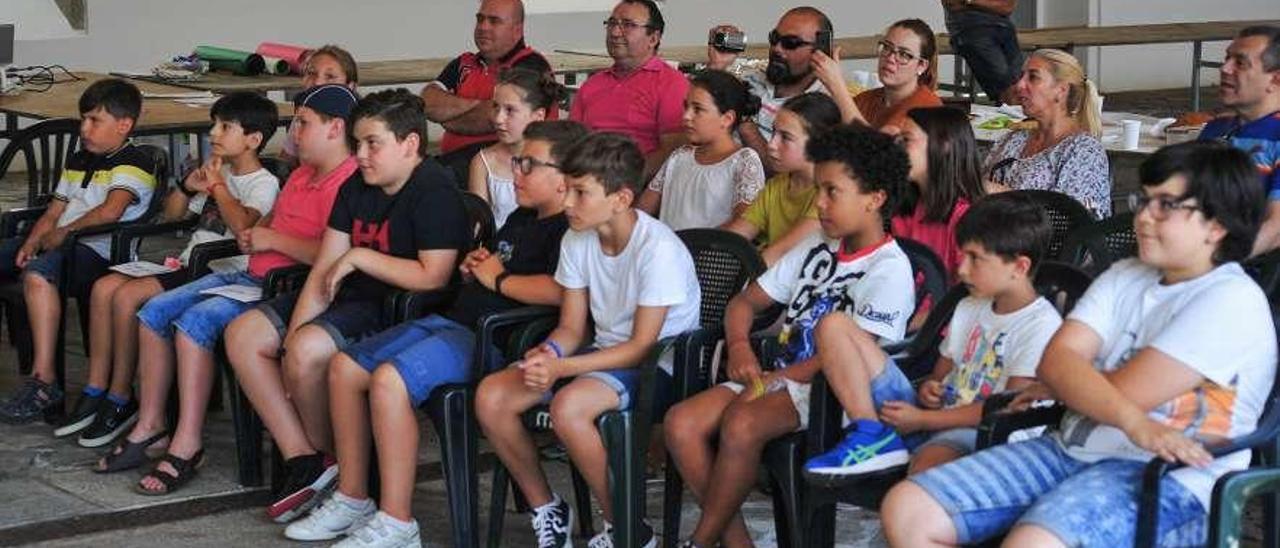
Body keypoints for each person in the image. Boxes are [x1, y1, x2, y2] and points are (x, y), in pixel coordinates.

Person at [882, 141, 1276, 547]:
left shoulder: (1230, 300)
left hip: (1164, 474)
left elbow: (1124, 389)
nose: (1143, 217)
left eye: (1166, 205)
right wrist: (1106, 403)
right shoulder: (1125, 274)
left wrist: (1076, 384)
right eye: (1144, 200)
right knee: (909, 510)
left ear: (1217, 225)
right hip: (1069, 448)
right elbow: (1055, 362)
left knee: (1033, 543)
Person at [285, 120, 584, 546]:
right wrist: (476, 270)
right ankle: (353, 497)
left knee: (389, 380)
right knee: (344, 367)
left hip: (494, 339)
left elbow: (562, 292)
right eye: (517, 162)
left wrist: (497, 280)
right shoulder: (521, 217)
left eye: (529, 165)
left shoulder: (570, 229)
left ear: (564, 178)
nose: (516, 172)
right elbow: (498, 267)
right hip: (457, 320)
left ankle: (398, 522)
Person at [90, 84, 358, 496]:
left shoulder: (346, 182)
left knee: (193, 322)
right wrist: (259, 234)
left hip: (281, 286)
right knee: (154, 311)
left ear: (335, 128)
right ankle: (150, 423)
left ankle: (188, 442)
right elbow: (265, 223)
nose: (294, 134)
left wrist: (271, 241)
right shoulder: (303, 175)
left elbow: (334, 253)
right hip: (248, 275)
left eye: (302, 124)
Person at [664, 125, 915, 548]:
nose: (819, 203)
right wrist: (740, 347)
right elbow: (744, 304)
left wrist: (771, 382)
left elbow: (859, 355)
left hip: (829, 392)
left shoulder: (888, 269)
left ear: (875, 199)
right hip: (779, 376)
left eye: (832, 192)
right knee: (681, 423)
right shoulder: (816, 244)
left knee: (742, 422)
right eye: (819, 190)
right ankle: (735, 543)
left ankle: (701, 541)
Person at [226, 89, 470, 514]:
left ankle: (337, 468)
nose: (360, 154)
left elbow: (433, 276)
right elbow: (325, 266)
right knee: (247, 334)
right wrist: (292, 335)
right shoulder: (358, 184)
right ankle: (312, 458)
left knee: (305, 351)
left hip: (402, 309)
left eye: (372, 143)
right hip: (349, 293)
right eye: (357, 144)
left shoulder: (434, 190)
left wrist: (360, 257)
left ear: (410, 144)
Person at [475, 132, 700, 548]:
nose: (567, 204)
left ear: (621, 199)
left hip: (660, 364)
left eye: (581, 193)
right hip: (601, 355)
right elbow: (572, 328)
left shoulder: (658, 250)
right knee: (493, 395)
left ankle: (628, 529)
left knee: (569, 406)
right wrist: (551, 352)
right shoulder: (577, 238)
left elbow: (640, 346)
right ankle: (548, 507)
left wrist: (562, 368)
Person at [57, 92, 279, 448]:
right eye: (214, 125)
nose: (214, 134)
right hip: (189, 261)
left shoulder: (263, 183)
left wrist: (219, 186)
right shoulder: (213, 171)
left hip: (217, 267)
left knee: (129, 296)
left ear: (253, 139)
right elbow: (174, 215)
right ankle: (97, 387)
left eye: (225, 127)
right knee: (104, 289)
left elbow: (243, 230)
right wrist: (186, 186)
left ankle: (120, 398)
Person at [804, 193, 1060, 483]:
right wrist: (930, 389)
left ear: (1019, 267)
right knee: (834, 325)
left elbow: (1007, 411)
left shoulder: (1040, 326)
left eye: (975, 259)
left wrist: (923, 420)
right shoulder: (969, 306)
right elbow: (939, 375)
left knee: (926, 467)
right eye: (963, 255)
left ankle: (900, 462)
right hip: (929, 419)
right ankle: (870, 433)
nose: (961, 269)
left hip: (986, 437)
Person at [0, 78, 158, 424]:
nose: (84, 129)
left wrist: (62, 234)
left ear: (124, 124)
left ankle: (44, 381)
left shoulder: (135, 161)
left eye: (94, 121)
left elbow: (110, 212)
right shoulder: (79, 159)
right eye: (83, 120)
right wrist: (31, 241)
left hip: (100, 254)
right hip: (63, 244)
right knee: (17, 256)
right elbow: (54, 210)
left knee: (39, 273)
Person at [423, 0, 552, 184]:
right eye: (480, 19)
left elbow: (491, 119)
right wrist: (479, 105)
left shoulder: (531, 66)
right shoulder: (464, 62)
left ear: (517, 30)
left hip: (502, 172)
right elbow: (427, 101)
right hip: (454, 166)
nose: (483, 27)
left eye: (494, 21)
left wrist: (448, 114)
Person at [704, 7, 835, 174]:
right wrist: (718, 65)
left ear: (820, 51)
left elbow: (783, 177)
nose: (777, 49)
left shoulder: (822, 105)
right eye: (774, 39)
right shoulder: (750, 77)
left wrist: (745, 122)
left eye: (790, 43)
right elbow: (695, 123)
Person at [984, 49, 1112, 218]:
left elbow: (1075, 222)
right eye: (1022, 76)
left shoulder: (1083, 151)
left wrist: (1003, 195)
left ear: (1061, 90)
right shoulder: (1014, 138)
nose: (1020, 85)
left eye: (1033, 77)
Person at [570, 0, 689, 180]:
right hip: (586, 186)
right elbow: (571, 143)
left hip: (637, 190)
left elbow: (672, 154)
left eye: (628, 25)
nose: (615, 32)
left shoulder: (672, 83)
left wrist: (616, 183)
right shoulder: (592, 85)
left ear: (653, 38)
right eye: (611, 24)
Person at [638, 69, 765, 231]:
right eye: (686, 107)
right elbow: (642, 212)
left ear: (727, 119)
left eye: (698, 109)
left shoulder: (744, 161)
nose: (686, 116)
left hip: (709, 253)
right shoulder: (679, 156)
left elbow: (743, 225)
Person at [723, 92, 840, 265]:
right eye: (774, 132)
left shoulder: (831, 194)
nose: (771, 145)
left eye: (785, 137)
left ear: (820, 143)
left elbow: (780, 253)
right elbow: (733, 239)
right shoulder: (777, 185)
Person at [1198, 26, 1280, 255]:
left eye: (1240, 63)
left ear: (1275, 79)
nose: (1225, 69)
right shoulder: (1216, 129)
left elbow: (1275, 230)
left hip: (1250, 274)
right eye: (1227, 58)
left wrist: (1210, 265)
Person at [892, 106, 988, 279]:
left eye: (906, 140)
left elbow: (965, 293)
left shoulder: (967, 219)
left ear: (944, 145)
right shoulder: (906, 206)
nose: (897, 148)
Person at [468, 68, 563, 229]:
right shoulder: (482, 162)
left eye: (510, 110)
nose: (498, 119)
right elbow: (479, 227)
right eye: (496, 107)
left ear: (538, 116)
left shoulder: (558, 160)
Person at [821, 19, 943, 135]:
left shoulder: (928, 109)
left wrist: (837, 86)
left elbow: (879, 152)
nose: (890, 58)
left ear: (921, 66)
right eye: (886, 47)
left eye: (904, 54)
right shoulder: (865, 100)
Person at [280, 45, 360, 168]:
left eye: (330, 76)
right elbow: (286, 162)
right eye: (311, 73)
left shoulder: (362, 124)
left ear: (351, 86)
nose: (317, 82)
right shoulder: (303, 115)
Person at [941, 0, 1023, 105]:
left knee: (1020, 84)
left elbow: (1007, 7)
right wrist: (990, 5)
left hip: (1005, 29)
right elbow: (952, 3)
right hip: (973, 31)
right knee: (1007, 87)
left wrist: (970, 2)